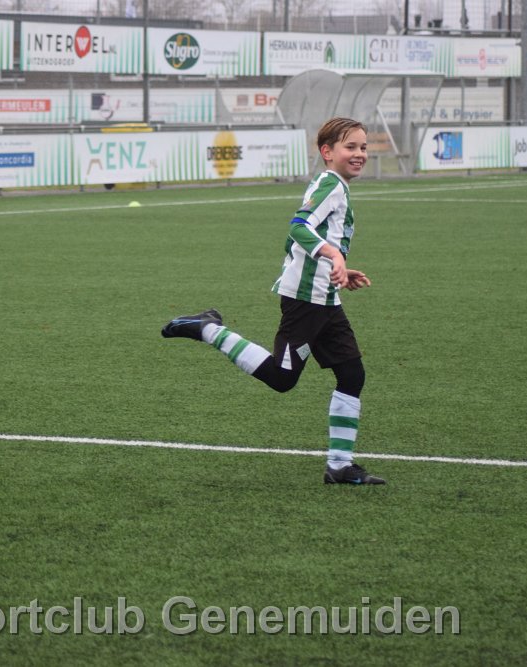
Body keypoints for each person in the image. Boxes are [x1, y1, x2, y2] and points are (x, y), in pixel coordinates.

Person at [162, 117, 385, 485]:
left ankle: (339, 466)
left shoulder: (334, 185)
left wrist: (340, 270)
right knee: (282, 379)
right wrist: (333, 255)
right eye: (350, 147)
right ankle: (208, 329)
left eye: (363, 147)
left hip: (324, 297)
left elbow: (307, 240)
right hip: (306, 300)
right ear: (327, 152)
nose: (360, 153)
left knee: (351, 374)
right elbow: (298, 227)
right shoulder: (331, 185)